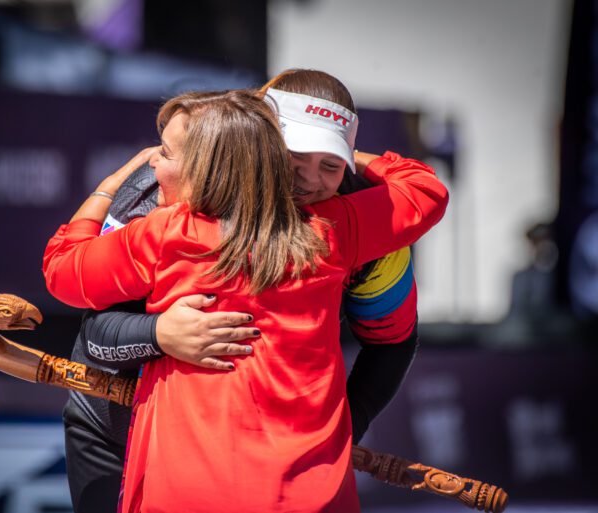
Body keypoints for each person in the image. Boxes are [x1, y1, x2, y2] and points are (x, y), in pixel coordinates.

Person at [44, 89, 448, 512]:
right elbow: (426, 190)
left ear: (206, 166)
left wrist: (105, 190)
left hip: (186, 494)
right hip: (311, 496)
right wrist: (349, 150)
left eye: (329, 163)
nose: (150, 162)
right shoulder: (339, 231)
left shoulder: (165, 232)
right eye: (296, 157)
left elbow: (62, 273)